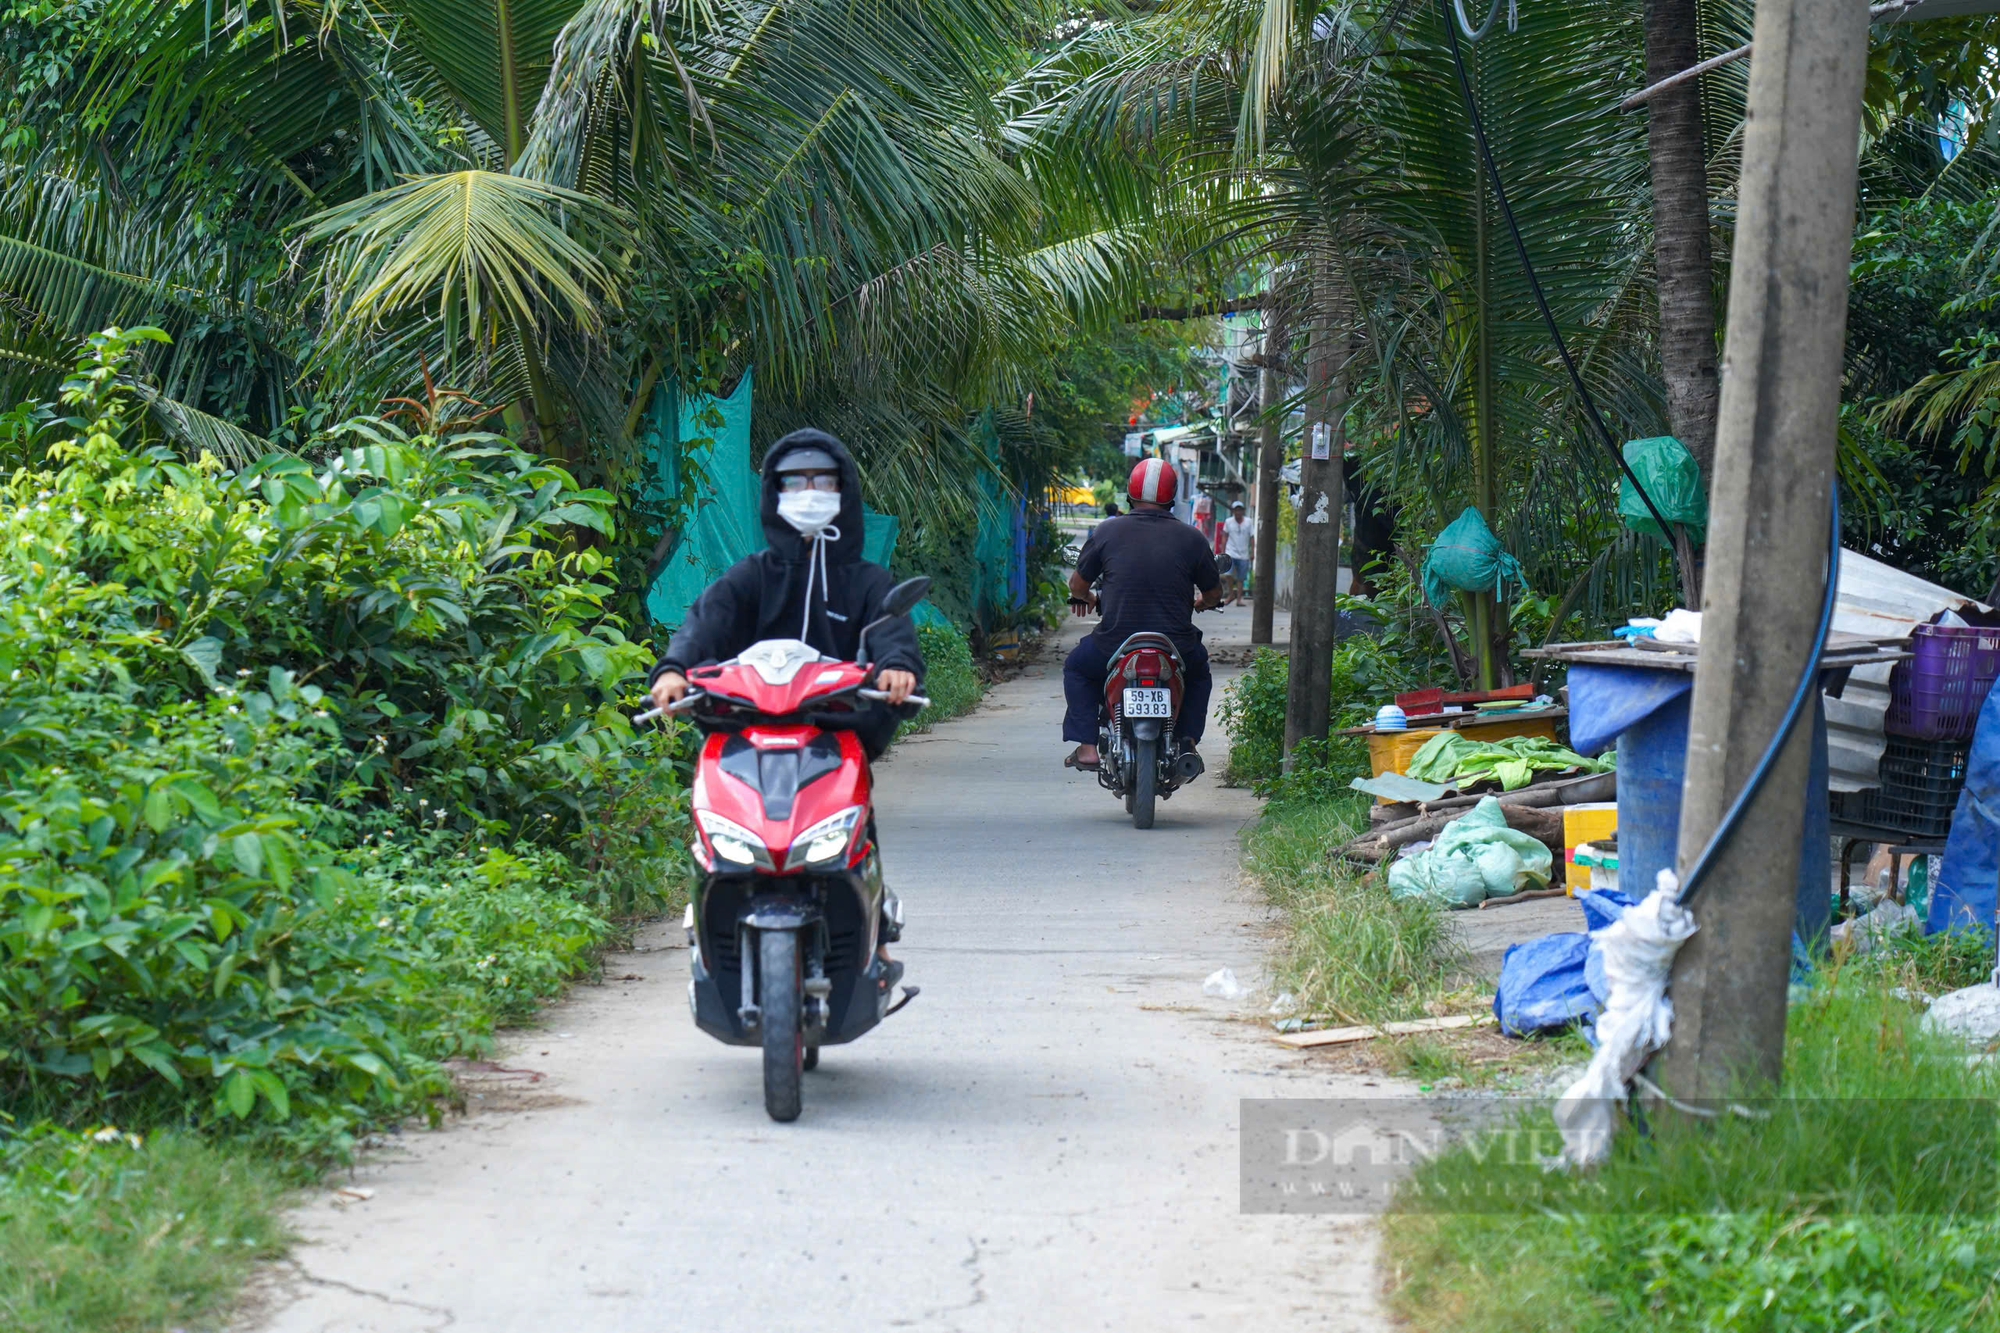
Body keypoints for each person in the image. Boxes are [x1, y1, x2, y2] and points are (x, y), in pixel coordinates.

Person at [648, 430, 924, 962]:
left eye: (822, 481)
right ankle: (708, 899)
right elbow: (707, 622)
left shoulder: (866, 581)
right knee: (715, 796)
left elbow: (892, 632)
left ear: (844, 492)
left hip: (835, 725)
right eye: (795, 482)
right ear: (774, 494)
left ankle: (874, 927)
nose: (809, 491)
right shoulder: (753, 575)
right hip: (749, 725)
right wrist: (674, 668)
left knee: (854, 806)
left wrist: (895, 669)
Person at [1062, 458, 1225, 771]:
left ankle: (1086, 746)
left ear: (1130, 493)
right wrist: (1201, 602)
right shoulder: (1193, 539)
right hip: (1175, 646)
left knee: (1078, 669)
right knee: (1199, 673)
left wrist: (1089, 597)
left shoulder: (1107, 531)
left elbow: (1077, 584)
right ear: (1172, 497)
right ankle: (1187, 742)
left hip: (1114, 644)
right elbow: (1214, 593)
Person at [1221, 500, 1254, 606]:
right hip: (1231, 552)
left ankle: (1239, 599)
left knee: (1241, 578)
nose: (1238, 512)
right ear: (1233, 511)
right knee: (1228, 574)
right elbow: (1224, 537)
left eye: (1240, 510)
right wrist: (1223, 552)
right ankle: (1231, 594)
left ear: (1243, 511)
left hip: (1244, 554)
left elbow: (1252, 537)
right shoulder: (1228, 521)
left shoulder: (1249, 522)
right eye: (1236, 510)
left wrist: (1253, 552)